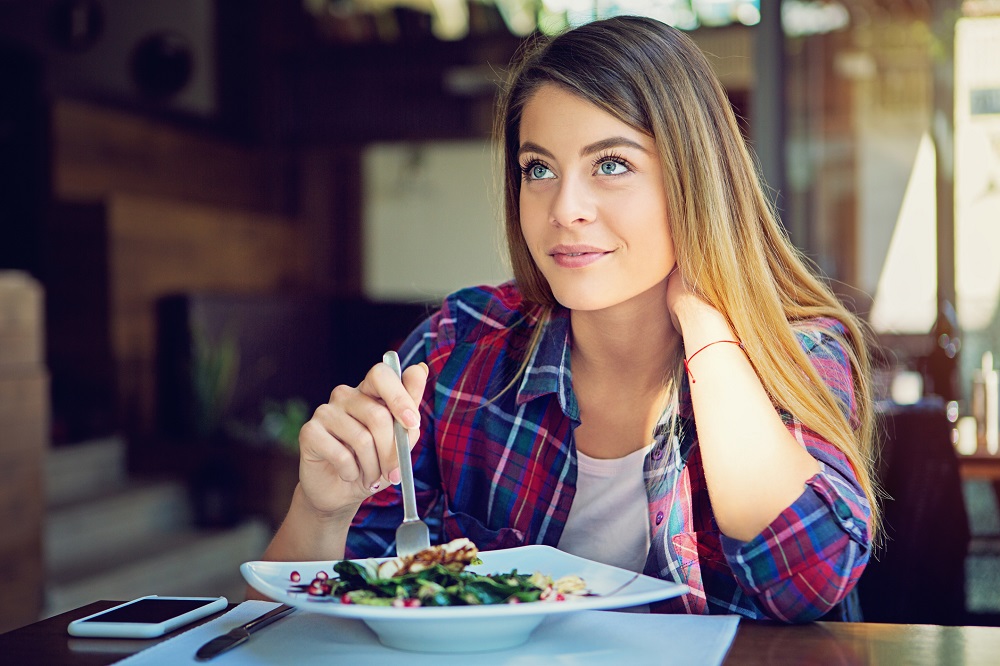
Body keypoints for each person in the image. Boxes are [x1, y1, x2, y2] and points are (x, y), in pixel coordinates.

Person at [258, 15, 879, 623]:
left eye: (611, 164)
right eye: (539, 169)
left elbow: (808, 584)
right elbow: (285, 627)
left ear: (695, 180)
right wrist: (321, 511)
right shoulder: (459, 346)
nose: (565, 208)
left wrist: (705, 315)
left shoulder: (795, 353)